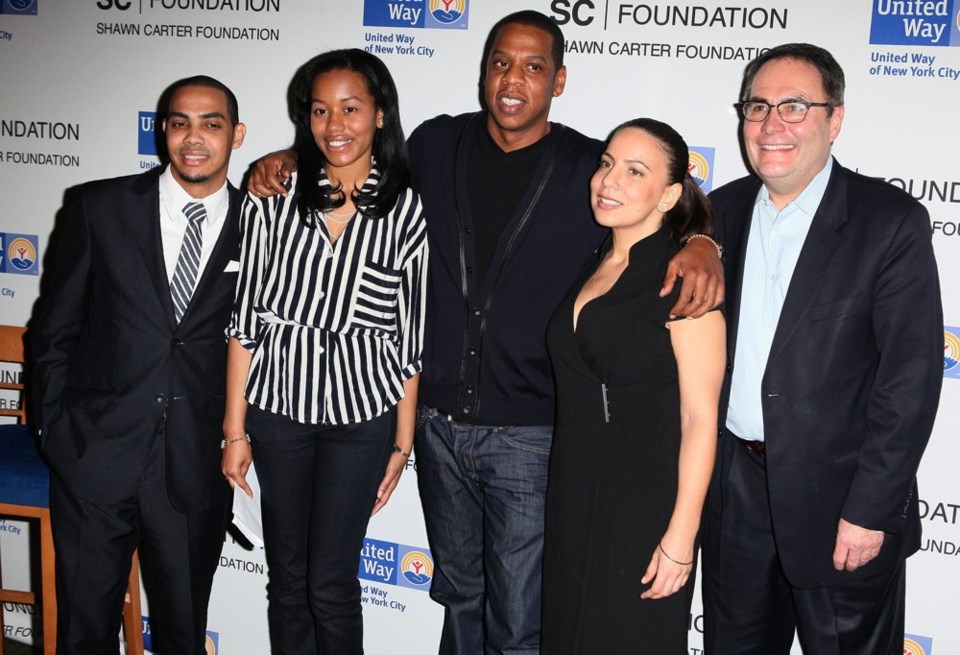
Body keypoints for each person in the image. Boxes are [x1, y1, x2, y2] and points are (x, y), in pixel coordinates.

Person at [248, 12, 724, 653]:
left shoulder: (592, 166)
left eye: (533, 67)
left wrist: (702, 241)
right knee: (461, 600)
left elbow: (661, 205)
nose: (513, 79)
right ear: (483, 70)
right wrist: (286, 157)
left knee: (520, 618)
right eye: (501, 62)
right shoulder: (436, 145)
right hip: (440, 428)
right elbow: (356, 157)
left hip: (530, 436)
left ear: (558, 81)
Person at [701, 43, 943, 654]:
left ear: (834, 120)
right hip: (736, 499)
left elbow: (909, 382)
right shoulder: (716, 213)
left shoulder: (888, 222)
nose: (771, 124)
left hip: (843, 506)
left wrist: (869, 510)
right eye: (757, 106)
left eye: (794, 106)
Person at [220, 49, 428, 655]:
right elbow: (245, 323)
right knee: (286, 582)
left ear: (380, 116)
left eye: (350, 108)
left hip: (362, 420)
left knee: (332, 583)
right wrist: (235, 431)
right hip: (278, 410)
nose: (334, 125)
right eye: (319, 110)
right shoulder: (270, 198)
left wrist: (401, 442)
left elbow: (408, 338)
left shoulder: (408, 210)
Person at [31, 76, 246, 654]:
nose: (193, 139)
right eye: (180, 123)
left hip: (194, 464)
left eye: (211, 124)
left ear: (236, 135)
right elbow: (55, 328)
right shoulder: (99, 207)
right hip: (95, 455)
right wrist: (55, 429)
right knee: (84, 631)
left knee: (181, 632)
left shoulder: (265, 226)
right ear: (162, 132)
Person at [541, 118, 725, 654]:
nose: (609, 181)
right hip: (572, 492)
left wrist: (680, 537)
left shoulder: (686, 280)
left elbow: (699, 418)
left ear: (670, 194)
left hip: (644, 507)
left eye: (634, 171)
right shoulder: (595, 257)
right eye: (606, 164)